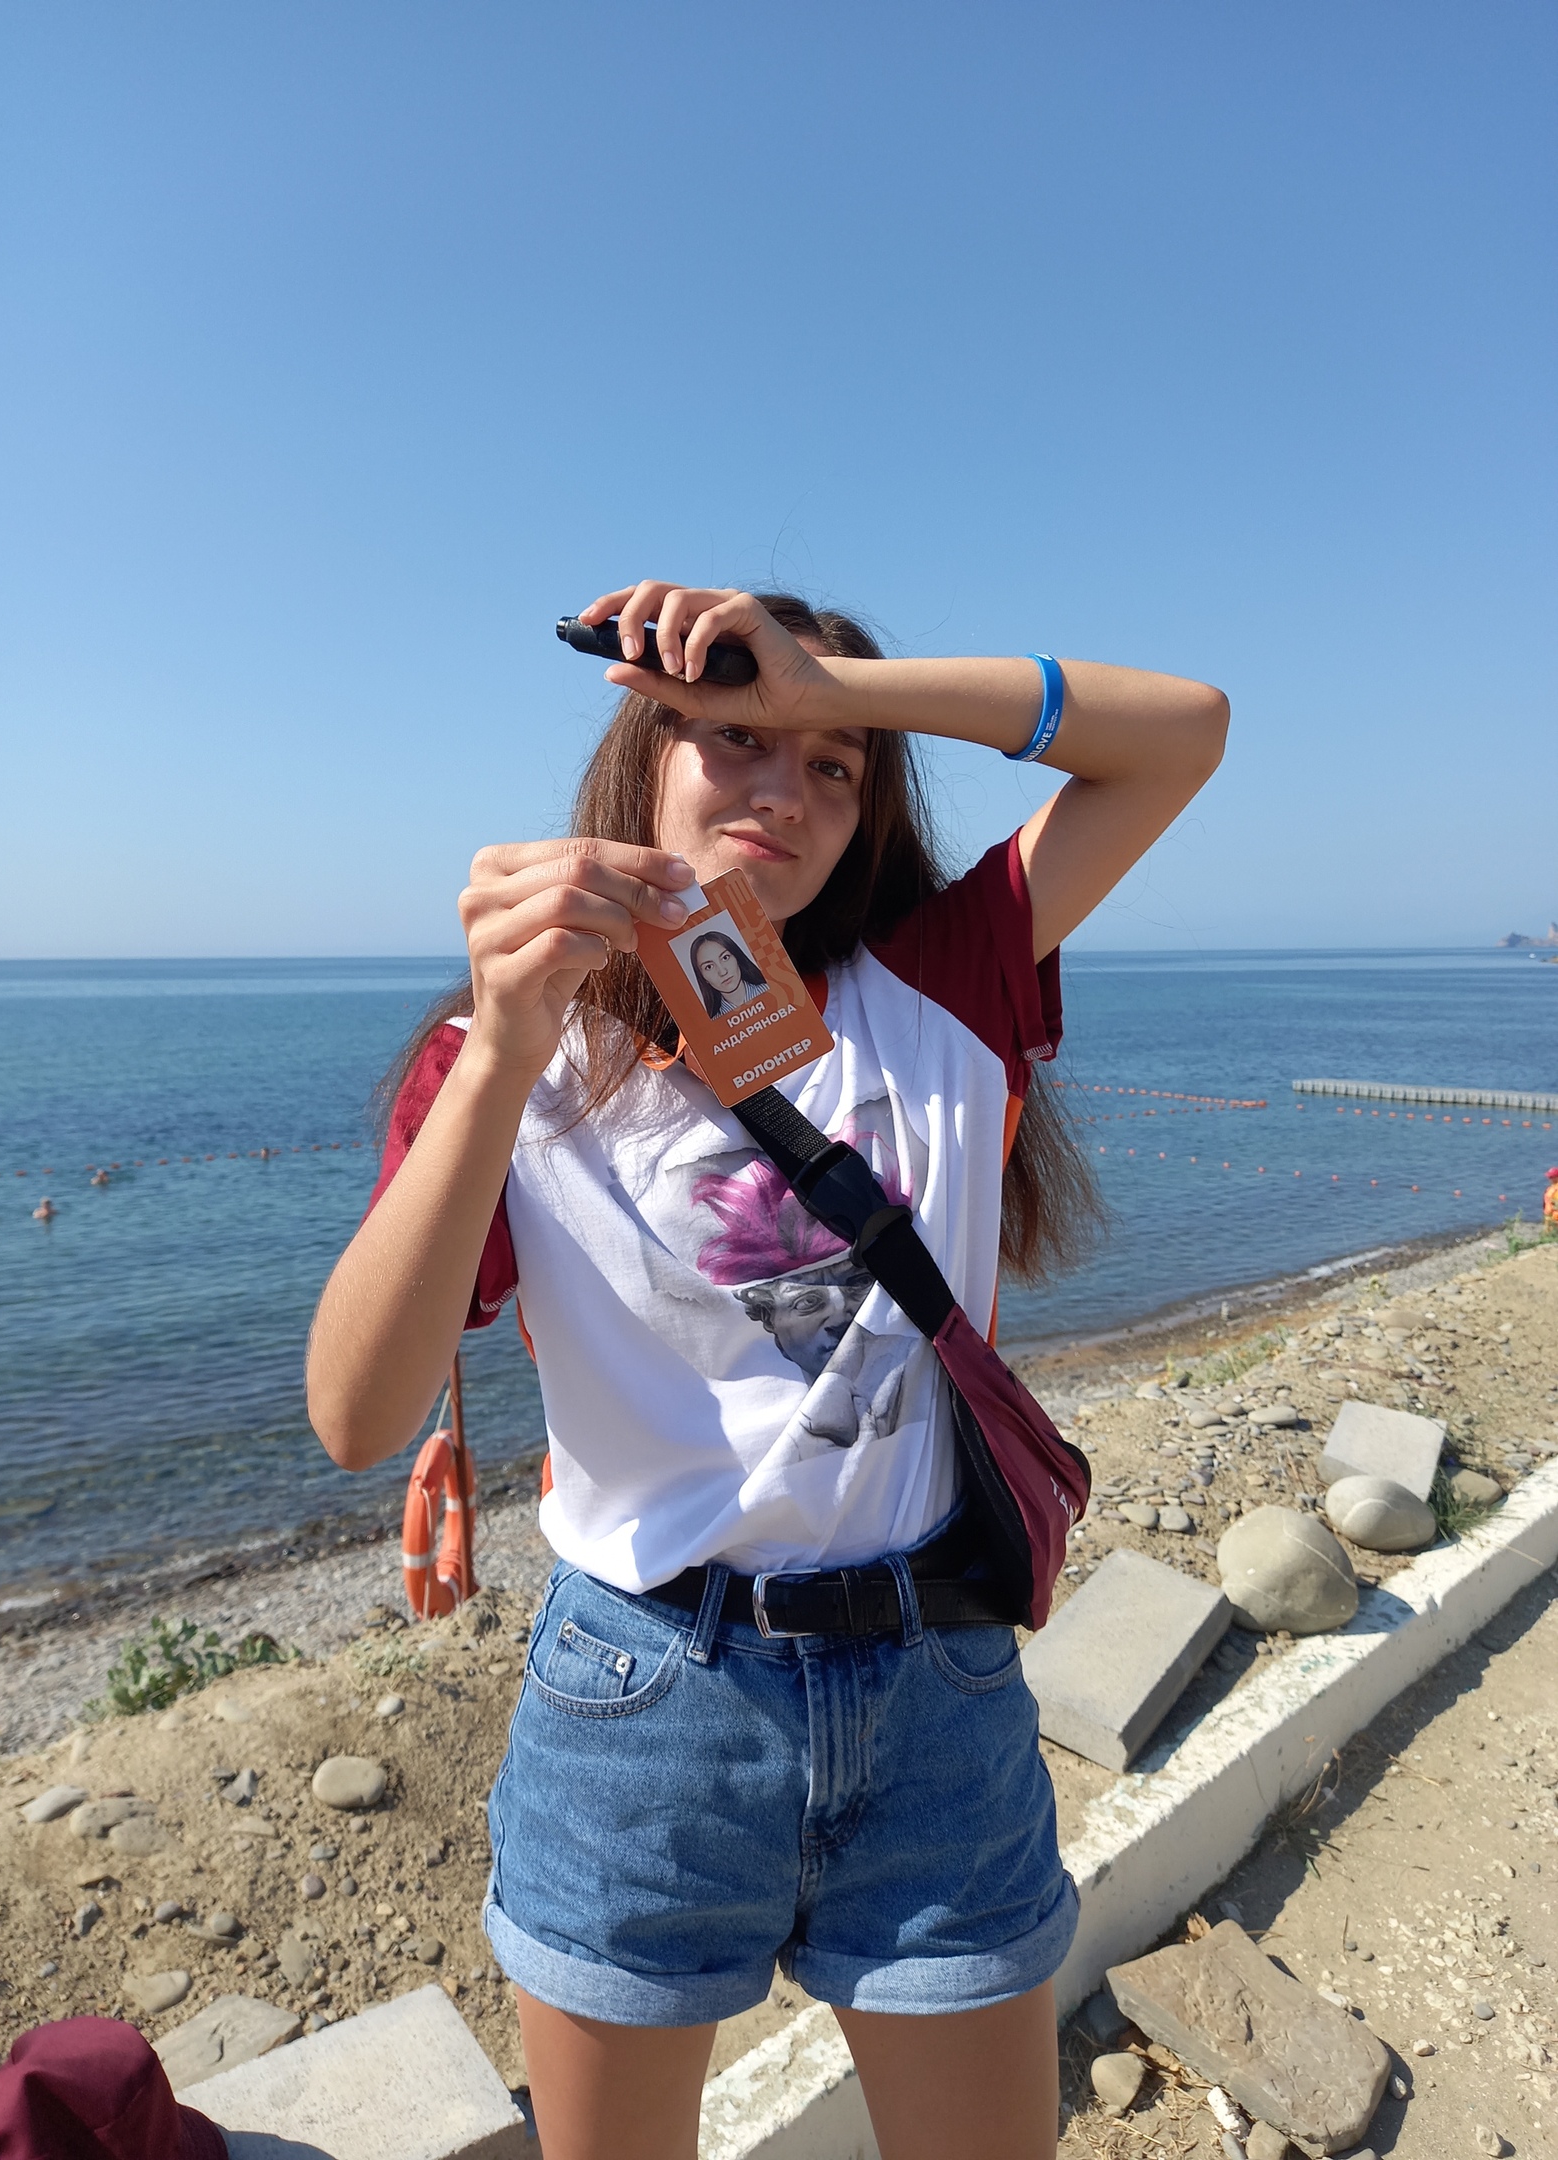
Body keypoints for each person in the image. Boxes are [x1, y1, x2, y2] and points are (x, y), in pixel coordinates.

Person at [308, 581, 1228, 2160]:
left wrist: (833, 689)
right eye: (734, 738)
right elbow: (356, 1415)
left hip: (933, 1689)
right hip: (642, 1699)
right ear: (644, 758)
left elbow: (1181, 735)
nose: (784, 789)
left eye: (831, 768)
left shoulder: (946, 979)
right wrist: (508, 1041)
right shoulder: (512, 1057)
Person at [688, 928, 768, 1017]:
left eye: (725, 958)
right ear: (702, 977)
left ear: (737, 958)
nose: (722, 972)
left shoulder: (774, 990)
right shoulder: (713, 1023)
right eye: (709, 967)